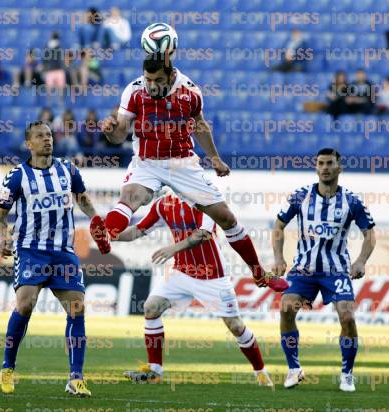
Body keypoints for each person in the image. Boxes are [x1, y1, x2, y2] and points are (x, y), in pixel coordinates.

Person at [99, 53, 287, 292]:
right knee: (131, 198)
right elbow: (119, 136)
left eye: (157, 80)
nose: (152, 85)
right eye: (148, 79)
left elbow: (199, 125)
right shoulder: (134, 91)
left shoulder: (189, 92)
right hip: (147, 161)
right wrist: (110, 131)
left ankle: (259, 274)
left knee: (227, 218)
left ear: (171, 76)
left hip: (182, 163)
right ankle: (106, 234)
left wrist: (215, 159)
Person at [0, 121, 109, 398]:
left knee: (77, 309)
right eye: (40, 136)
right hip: (30, 250)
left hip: (63, 252)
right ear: (28, 144)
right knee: (25, 305)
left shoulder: (68, 169)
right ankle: (8, 367)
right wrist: (2, 237)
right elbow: (1, 217)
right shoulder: (15, 176)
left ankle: (76, 378)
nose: (47, 139)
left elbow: (82, 198)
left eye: (49, 135)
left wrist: (96, 219)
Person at [115, 190, 274, 386]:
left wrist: (172, 249)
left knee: (235, 326)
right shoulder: (162, 204)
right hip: (181, 272)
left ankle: (260, 371)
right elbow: (138, 230)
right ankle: (155, 370)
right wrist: (110, 235)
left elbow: (203, 234)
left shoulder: (204, 200)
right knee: (151, 307)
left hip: (212, 275)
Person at [272, 148, 376, 392]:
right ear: (316, 167)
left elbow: (369, 234)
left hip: (337, 270)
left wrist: (361, 261)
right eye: (321, 163)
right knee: (286, 307)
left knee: (347, 317)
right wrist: (278, 256)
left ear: (339, 167)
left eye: (330, 163)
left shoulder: (352, 201)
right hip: (304, 269)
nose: (325, 167)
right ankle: (294, 369)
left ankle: (347, 374)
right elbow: (278, 226)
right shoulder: (300, 197)